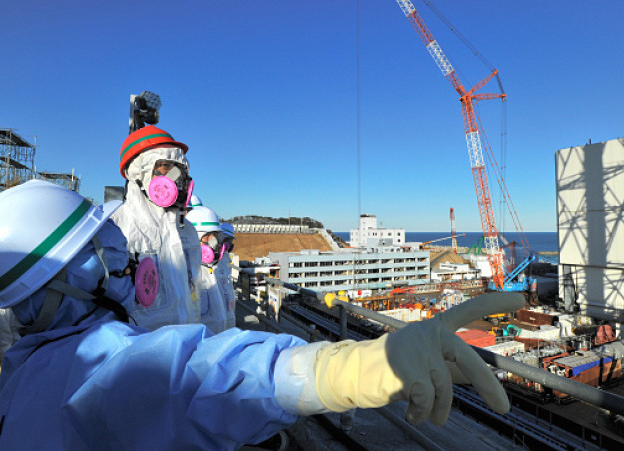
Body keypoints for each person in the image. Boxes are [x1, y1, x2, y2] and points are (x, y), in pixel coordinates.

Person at [0, 180, 524, 449]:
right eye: (106, 250)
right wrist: (352, 367)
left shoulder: (22, 373)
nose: (125, 260)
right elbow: (192, 376)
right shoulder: (92, 367)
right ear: (58, 281)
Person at [112, 125, 201, 329]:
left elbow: (195, 293)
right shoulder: (115, 228)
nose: (176, 179)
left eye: (179, 170)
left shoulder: (187, 230)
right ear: (137, 172)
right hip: (141, 352)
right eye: (164, 167)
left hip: (188, 345)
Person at [187, 205, 228, 334]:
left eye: (216, 236)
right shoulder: (187, 274)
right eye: (208, 237)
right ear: (192, 238)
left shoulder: (213, 270)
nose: (214, 243)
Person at [216, 221, 237, 329]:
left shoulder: (225, 258)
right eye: (227, 240)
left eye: (230, 240)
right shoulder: (214, 259)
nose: (229, 244)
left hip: (228, 307)